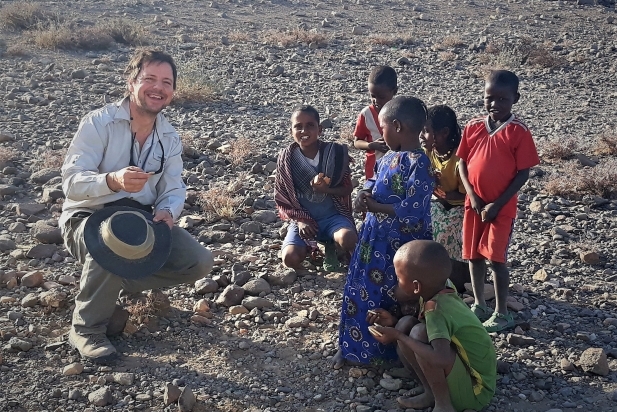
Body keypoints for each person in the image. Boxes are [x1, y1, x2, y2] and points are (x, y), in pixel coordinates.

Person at [61, 49, 214, 363]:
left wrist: (168, 211)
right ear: (130, 82)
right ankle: (86, 329)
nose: (158, 88)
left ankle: (106, 286)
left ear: (172, 91)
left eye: (166, 82)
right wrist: (112, 181)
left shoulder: (169, 137)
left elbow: (173, 187)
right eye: (150, 79)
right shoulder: (98, 123)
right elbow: (72, 183)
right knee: (114, 242)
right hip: (88, 216)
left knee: (198, 262)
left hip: (139, 220)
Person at [332, 96, 434, 368]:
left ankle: (392, 356)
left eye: (383, 128)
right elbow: (373, 179)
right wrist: (364, 193)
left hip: (402, 248)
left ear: (397, 126)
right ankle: (351, 347)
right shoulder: (388, 157)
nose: (382, 134)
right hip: (373, 242)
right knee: (360, 290)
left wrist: (376, 205)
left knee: (396, 296)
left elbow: (414, 207)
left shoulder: (419, 163)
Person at [368, 240, 496, 412]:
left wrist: (397, 336)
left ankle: (443, 405)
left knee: (418, 333)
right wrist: (392, 323)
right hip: (470, 374)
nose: (397, 282)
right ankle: (431, 392)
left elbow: (440, 358)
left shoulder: (436, 311)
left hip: (476, 392)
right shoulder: (441, 287)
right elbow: (402, 294)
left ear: (416, 286)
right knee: (406, 323)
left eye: (399, 277)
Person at [457, 70, 540, 332]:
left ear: (515, 98)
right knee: (473, 256)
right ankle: (480, 304)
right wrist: (472, 195)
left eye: (502, 99)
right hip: (474, 205)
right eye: (489, 98)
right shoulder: (473, 126)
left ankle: (502, 312)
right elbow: (462, 162)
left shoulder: (518, 131)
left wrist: (497, 204)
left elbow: (523, 172)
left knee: (497, 260)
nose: (495, 105)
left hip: (501, 209)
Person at [275, 105, 358, 272]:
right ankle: (311, 247)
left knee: (349, 239)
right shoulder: (286, 159)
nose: (304, 130)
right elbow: (281, 198)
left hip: (333, 217)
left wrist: (327, 190)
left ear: (319, 129)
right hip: (304, 221)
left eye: (310, 125)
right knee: (290, 259)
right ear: (291, 130)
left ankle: (333, 246)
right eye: (298, 126)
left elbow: (347, 190)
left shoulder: (335, 153)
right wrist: (300, 221)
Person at [421, 105, 469, 292]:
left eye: (427, 131)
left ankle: (456, 280)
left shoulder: (459, 159)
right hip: (440, 202)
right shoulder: (429, 151)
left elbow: (465, 194)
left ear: (444, 133)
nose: (422, 136)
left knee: (448, 228)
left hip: (461, 205)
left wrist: (441, 192)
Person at [353, 65, 397, 179]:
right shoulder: (366, 114)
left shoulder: (400, 112)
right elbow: (357, 142)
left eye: (381, 97)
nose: (376, 101)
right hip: (373, 171)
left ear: (394, 92)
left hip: (397, 168)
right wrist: (371, 145)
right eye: (372, 96)